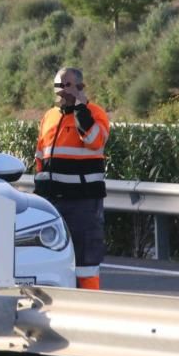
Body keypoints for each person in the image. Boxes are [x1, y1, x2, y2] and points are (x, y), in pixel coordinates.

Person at [33, 67, 110, 290]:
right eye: (58, 85)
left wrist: (80, 108)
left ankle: (89, 307)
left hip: (82, 203)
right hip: (50, 201)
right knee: (47, 258)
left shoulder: (95, 113)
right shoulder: (49, 116)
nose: (60, 91)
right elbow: (40, 155)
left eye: (66, 85)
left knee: (85, 263)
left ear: (80, 88)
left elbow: (94, 140)